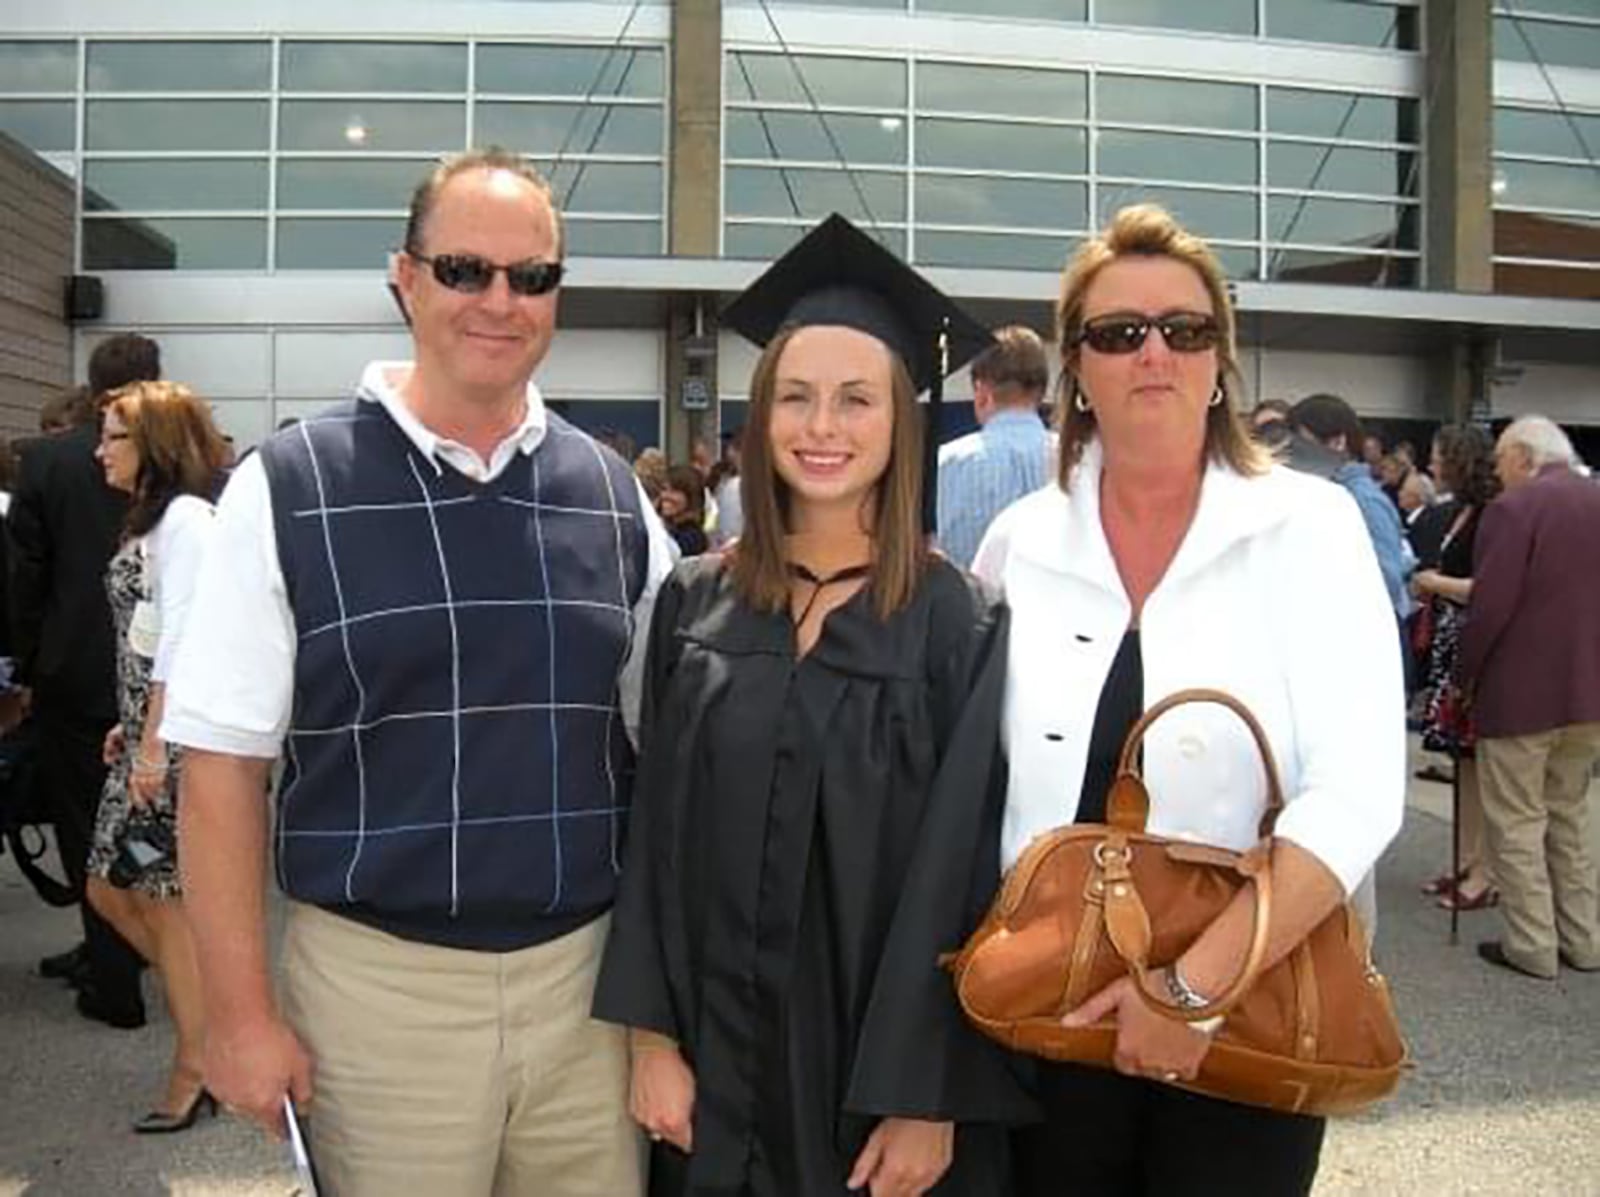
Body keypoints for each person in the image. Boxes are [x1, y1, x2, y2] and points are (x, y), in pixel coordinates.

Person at [164, 149, 673, 1197]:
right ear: (405, 278)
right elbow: (218, 772)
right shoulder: (289, 485)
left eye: (531, 277)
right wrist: (240, 1019)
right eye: (464, 270)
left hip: (585, 988)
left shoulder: (608, 494)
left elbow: (669, 746)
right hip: (377, 993)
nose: (499, 301)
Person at [593, 213, 1032, 1197]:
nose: (821, 427)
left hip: (873, 1083)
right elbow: (655, 831)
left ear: (900, 422)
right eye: (795, 397)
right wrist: (650, 1040)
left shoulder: (955, 621)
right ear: (760, 414)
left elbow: (967, 874)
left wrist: (930, 1096)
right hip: (714, 1061)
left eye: (853, 400)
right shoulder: (695, 603)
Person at [972, 204, 1404, 1196]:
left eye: (1186, 329)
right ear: (1076, 367)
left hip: (1245, 1006)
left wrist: (1187, 992)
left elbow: (1358, 792)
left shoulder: (1309, 528)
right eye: (1120, 334)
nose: (1154, 353)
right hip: (1047, 1006)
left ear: (1221, 360)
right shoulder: (1019, 543)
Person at [83, 381, 227, 1130]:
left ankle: (197, 1060)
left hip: (169, 746)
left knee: (157, 902)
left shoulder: (189, 521)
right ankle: (213, 1020)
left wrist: (153, 741)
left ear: (156, 447)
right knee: (114, 889)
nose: (99, 449)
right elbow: (145, 635)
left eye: (114, 436)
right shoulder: (152, 522)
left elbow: (184, 636)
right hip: (146, 733)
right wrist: (130, 721)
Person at [8, 335, 161, 1027]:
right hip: (161, 678)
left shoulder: (45, 462)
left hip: (73, 671)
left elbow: (24, 579)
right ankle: (125, 948)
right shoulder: (188, 456)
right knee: (150, 829)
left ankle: (114, 975)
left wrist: (26, 665)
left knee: (82, 826)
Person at [1460, 416, 1600, 979]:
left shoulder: (1516, 511)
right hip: (1589, 694)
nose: (1497, 473)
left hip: (1522, 692)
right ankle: (1584, 938)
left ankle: (1533, 944)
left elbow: (1491, 606)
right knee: (1571, 814)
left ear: (1522, 455)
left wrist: (1464, 677)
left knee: (1516, 819)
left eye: (1499, 461)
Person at [1411, 424, 1500, 910]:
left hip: (1471, 641)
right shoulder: (1459, 512)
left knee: (1480, 764)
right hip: (1450, 639)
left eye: (1440, 455)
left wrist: (1434, 582)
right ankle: (1467, 859)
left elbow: (1489, 585)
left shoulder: (1490, 515)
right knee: (1461, 762)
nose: (1432, 464)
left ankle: (1486, 870)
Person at [935, 325, 1054, 568]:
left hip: (968, 603)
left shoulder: (946, 463)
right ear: (1041, 393)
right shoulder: (1080, 460)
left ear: (982, 393)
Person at [1288, 394, 1410, 622]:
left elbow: (1387, 581)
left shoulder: (1363, 499)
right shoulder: (1318, 492)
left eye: (1304, 444)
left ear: (1337, 442)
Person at [657, 463, 709, 557]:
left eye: (674, 491)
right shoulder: (669, 528)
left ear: (691, 497)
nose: (665, 496)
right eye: (664, 489)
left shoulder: (692, 538)